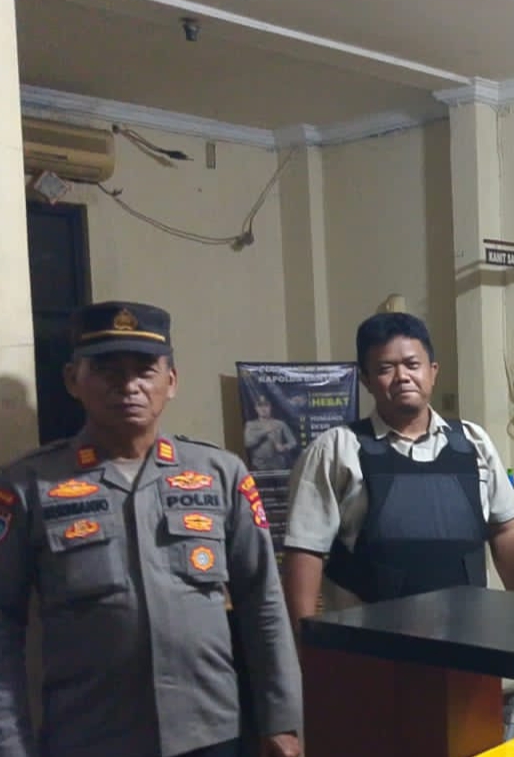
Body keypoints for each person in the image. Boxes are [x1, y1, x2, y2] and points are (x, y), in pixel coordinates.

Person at [0, 301, 302, 757]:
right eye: (107, 371)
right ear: (72, 380)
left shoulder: (220, 474)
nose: (129, 386)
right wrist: (10, 742)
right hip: (89, 737)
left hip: (210, 732)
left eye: (144, 370)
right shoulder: (28, 485)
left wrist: (282, 721)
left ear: (171, 381)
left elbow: (263, 601)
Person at [282, 312, 514, 622]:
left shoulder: (473, 442)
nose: (402, 377)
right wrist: (305, 639)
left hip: (470, 637)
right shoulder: (336, 449)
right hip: (369, 640)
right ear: (366, 379)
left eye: (413, 365)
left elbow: (506, 530)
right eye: (385, 368)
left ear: (433, 371)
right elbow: (305, 551)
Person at [244, 394, 298, 472]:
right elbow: (247, 443)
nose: (263, 409)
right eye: (260, 406)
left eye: (266, 405)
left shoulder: (280, 424)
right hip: (258, 466)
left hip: (278, 465)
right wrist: (264, 432)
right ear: (256, 408)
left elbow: (293, 442)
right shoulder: (251, 425)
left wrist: (284, 447)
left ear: (270, 407)